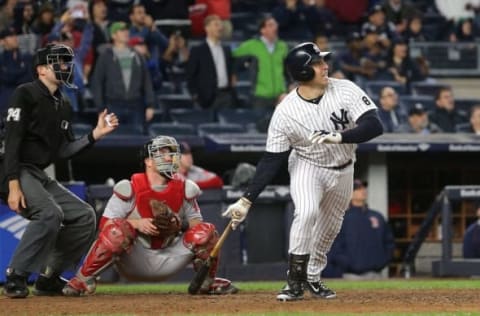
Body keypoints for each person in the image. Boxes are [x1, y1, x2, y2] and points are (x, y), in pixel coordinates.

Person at [222, 42, 384, 301]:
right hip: (308, 165)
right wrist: (247, 198)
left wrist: (339, 137)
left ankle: (313, 277)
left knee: (330, 227)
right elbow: (272, 158)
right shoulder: (285, 111)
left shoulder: (345, 88)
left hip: (344, 168)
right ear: (303, 72)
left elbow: (374, 125)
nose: (325, 66)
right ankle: (294, 281)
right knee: (307, 211)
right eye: (317, 63)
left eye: (322, 61)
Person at [0, 43, 118, 299]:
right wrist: (12, 184)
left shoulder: (63, 103)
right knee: (49, 212)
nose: (65, 66)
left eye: (67, 62)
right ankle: (16, 275)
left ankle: (48, 276)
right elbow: (12, 141)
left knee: (84, 215)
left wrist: (95, 135)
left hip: (37, 171)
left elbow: (63, 151)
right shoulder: (25, 93)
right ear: (41, 69)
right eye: (59, 62)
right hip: (10, 166)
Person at [62, 135, 237, 296]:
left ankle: (206, 282)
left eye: (171, 154)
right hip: (134, 258)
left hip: (170, 254)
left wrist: (178, 225)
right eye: (162, 154)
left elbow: (196, 226)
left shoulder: (184, 188)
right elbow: (105, 227)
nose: (169, 158)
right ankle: (82, 280)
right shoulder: (129, 187)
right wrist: (136, 224)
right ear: (148, 162)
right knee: (117, 231)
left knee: (206, 232)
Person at [90, 21, 156, 134]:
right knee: (114, 141)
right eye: (121, 30)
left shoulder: (137, 55)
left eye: (126, 30)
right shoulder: (105, 56)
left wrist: (150, 105)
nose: (126, 32)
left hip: (135, 105)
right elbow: (97, 82)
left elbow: (147, 81)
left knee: (136, 140)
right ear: (113, 35)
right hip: (113, 105)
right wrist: (100, 108)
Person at [324, 179, 395, 280]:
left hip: (376, 274)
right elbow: (332, 247)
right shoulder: (340, 218)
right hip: (350, 275)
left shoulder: (377, 216)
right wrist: (347, 264)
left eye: (363, 188)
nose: (363, 190)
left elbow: (389, 243)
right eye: (357, 189)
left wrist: (382, 262)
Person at [232, 16, 289, 109]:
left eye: (275, 25)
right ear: (262, 30)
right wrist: (233, 73)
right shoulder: (251, 45)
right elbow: (232, 55)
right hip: (260, 96)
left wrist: (288, 88)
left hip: (280, 97)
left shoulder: (283, 46)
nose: (275, 27)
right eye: (270, 25)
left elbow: (288, 70)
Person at [187, 14, 236, 109]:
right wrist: (195, 95)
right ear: (207, 28)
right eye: (216, 25)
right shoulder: (198, 50)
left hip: (226, 95)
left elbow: (231, 69)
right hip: (206, 98)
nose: (220, 28)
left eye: (220, 25)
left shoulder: (227, 49)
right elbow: (190, 75)